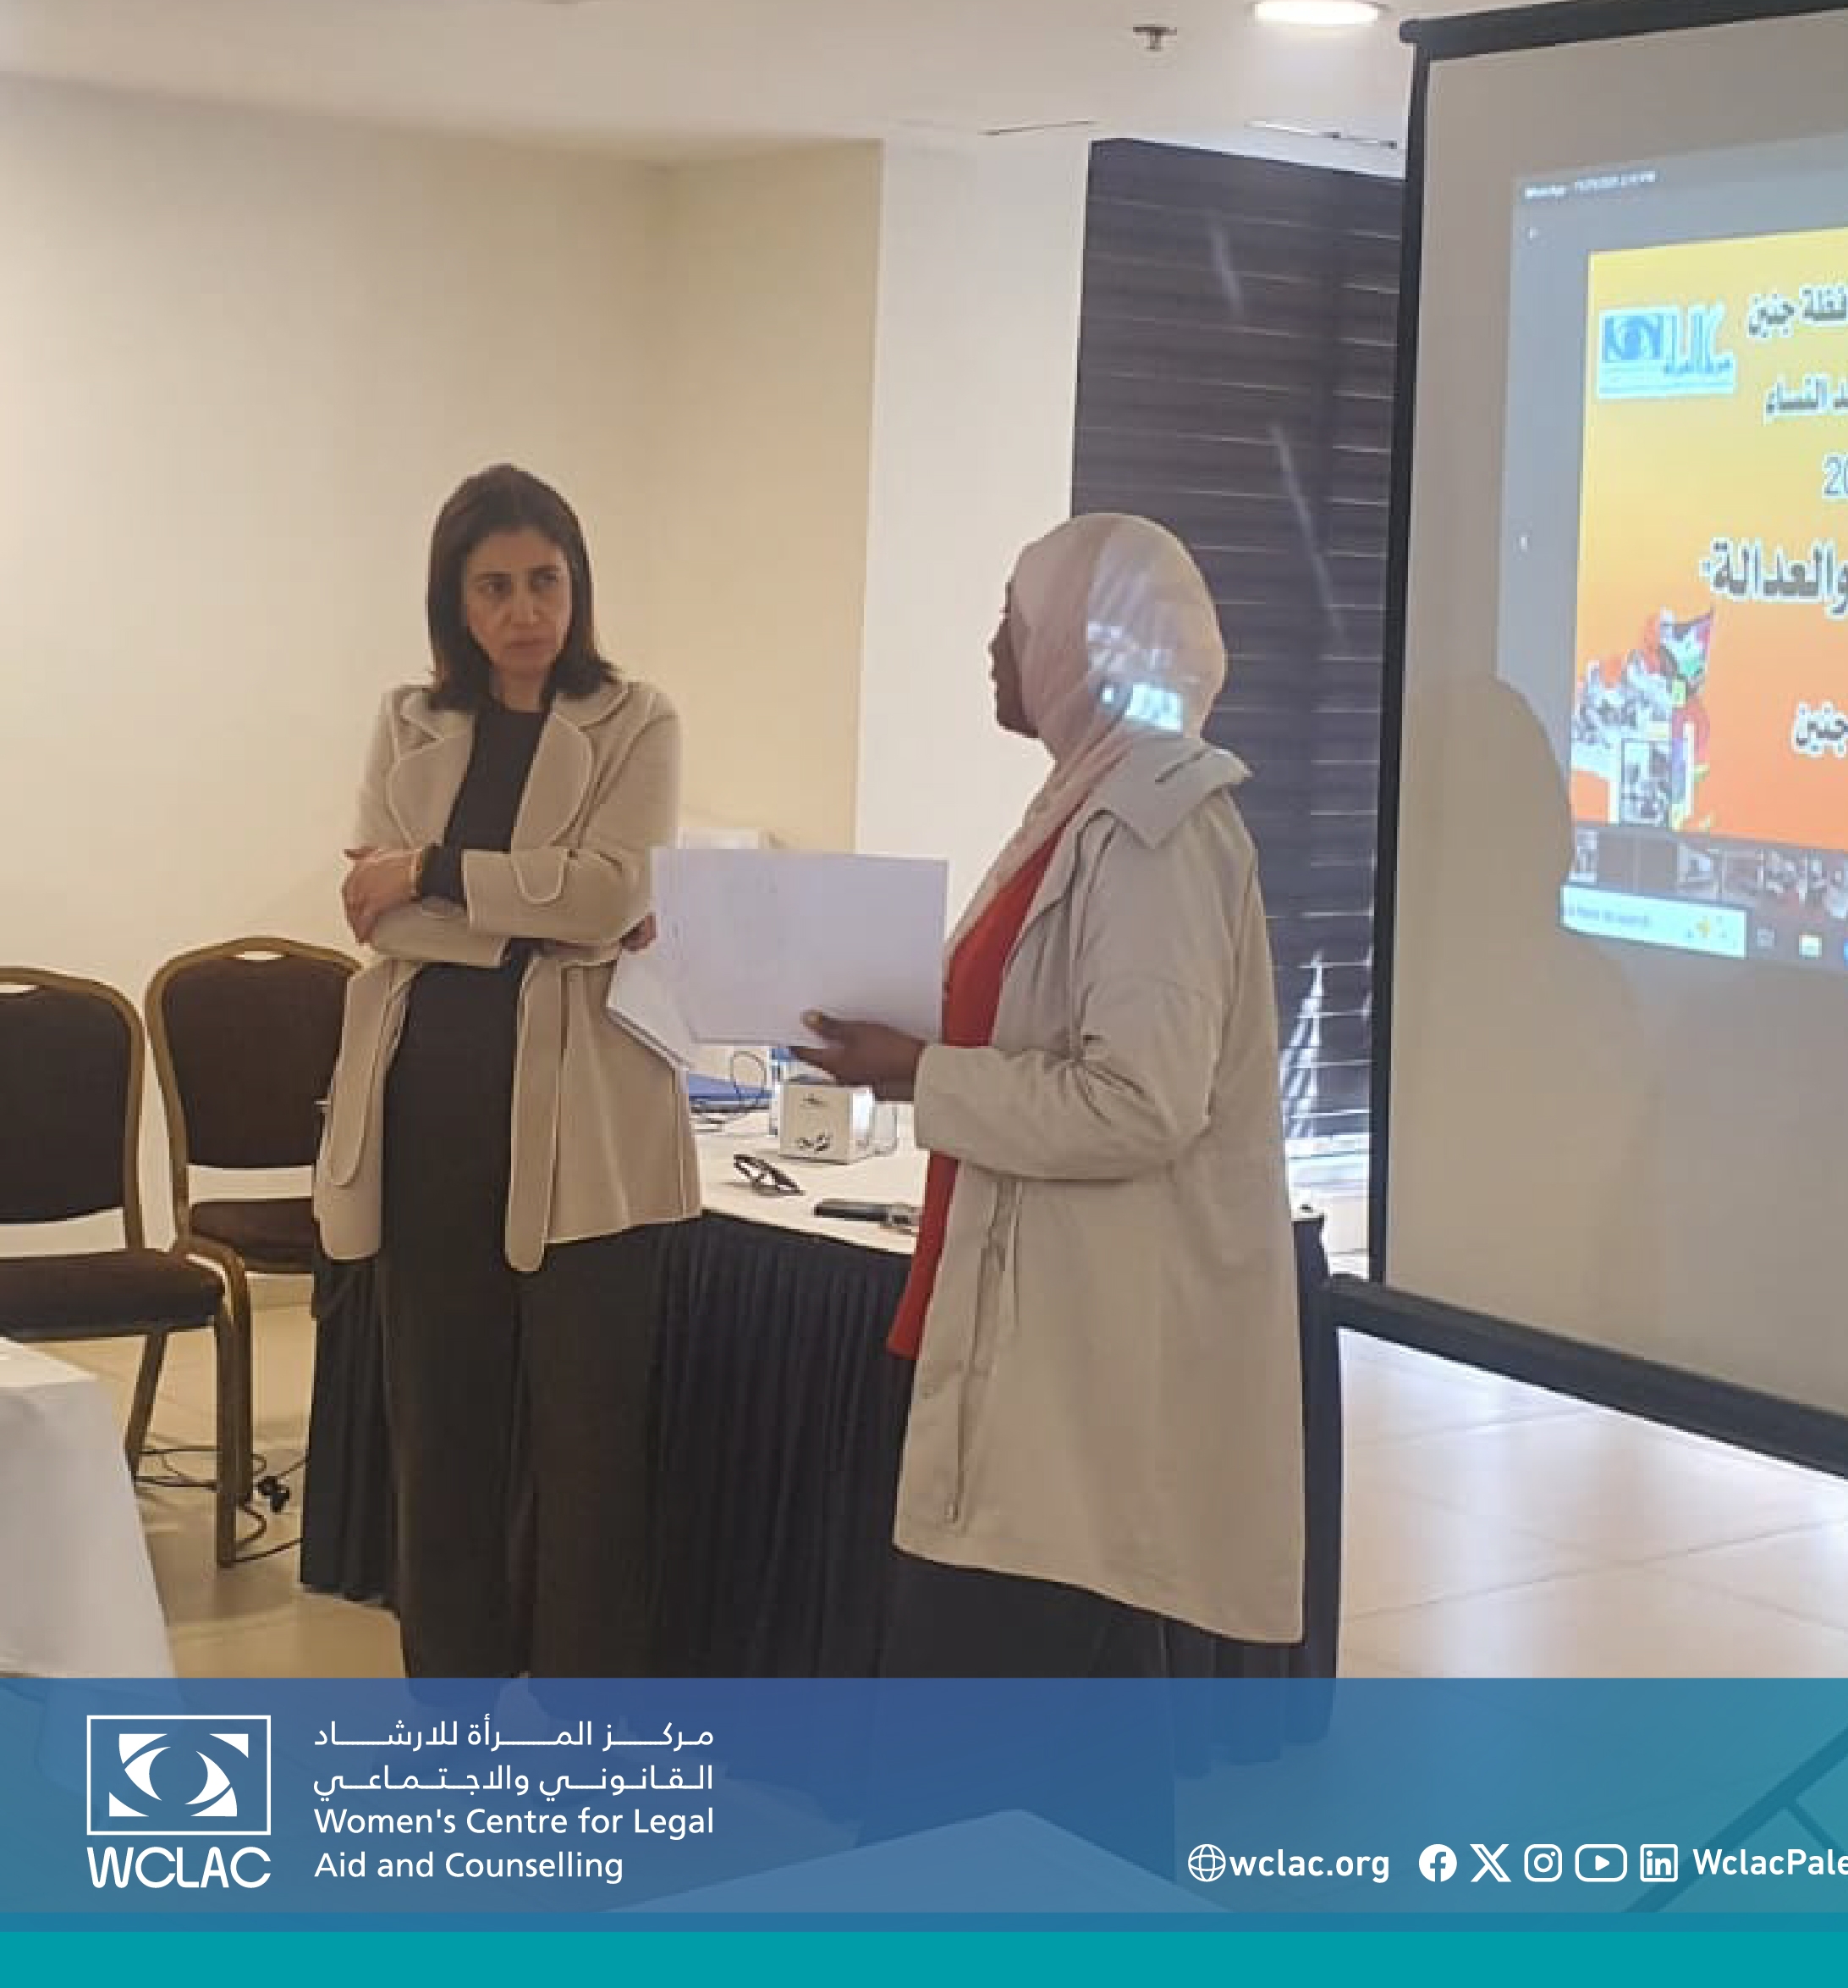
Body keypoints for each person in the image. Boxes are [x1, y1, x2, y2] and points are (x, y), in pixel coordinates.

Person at [797, 511, 1304, 1675]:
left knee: (1002, 1703)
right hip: (1010, 1298)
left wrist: (917, 1071)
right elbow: (1031, 1025)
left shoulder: (1155, 827)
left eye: (1014, 622)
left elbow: (1140, 1099)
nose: (993, 647)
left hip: (1077, 1349)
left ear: (1085, 647)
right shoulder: (1081, 802)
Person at [314, 463, 697, 1677]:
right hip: (428, 1100)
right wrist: (537, 909)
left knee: (588, 1448)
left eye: (546, 580)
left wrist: (434, 874)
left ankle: (586, 1723)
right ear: (455, 599)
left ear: (578, 587)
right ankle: (453, 1713)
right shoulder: (407, 719)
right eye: (494, 586)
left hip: (587, 1120)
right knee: (440, 1436)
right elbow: (373, 914)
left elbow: (611, 895)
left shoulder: (637, 720)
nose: (525, 609)